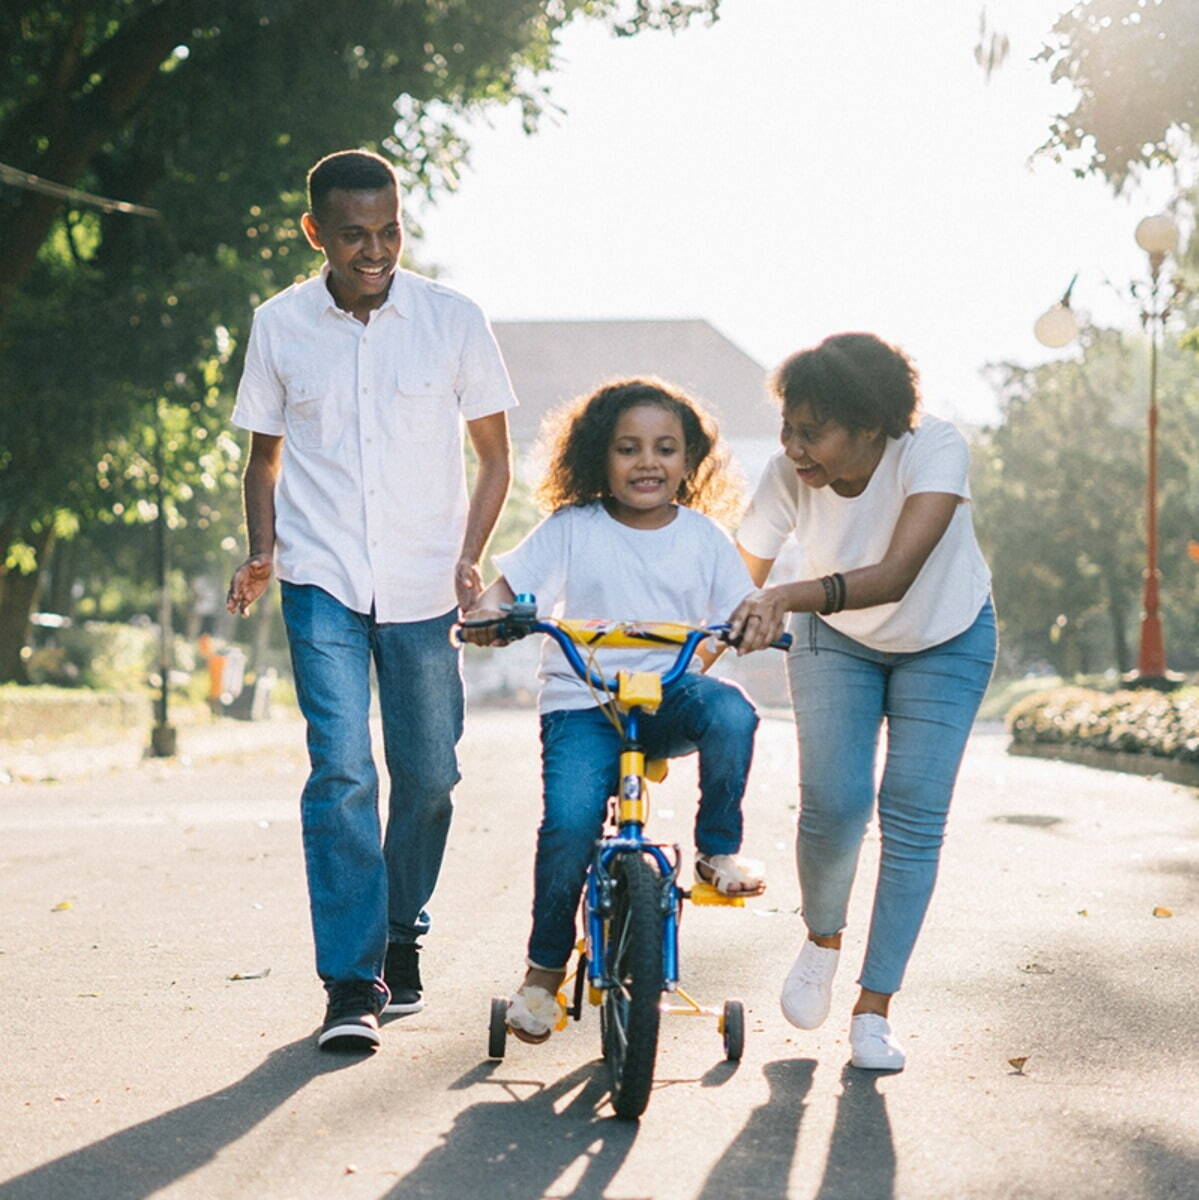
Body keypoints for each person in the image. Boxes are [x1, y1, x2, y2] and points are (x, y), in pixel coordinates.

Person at [225, 149, 516, 1052]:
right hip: (320, 580)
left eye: (389, 230)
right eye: (354, 235)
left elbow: (495, 457)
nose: (375, 249)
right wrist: (263, 550)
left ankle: (400, 932)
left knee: (429, 776)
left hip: (427, 582)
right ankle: (351, 982)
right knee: (343, 770)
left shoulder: (452, 320)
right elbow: (263, 457)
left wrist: (471, 556)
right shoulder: (279, 325)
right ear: (316, 233)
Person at [463, 378, 764, 1043]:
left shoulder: (705, 539)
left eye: (665, 448)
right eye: (628, 449)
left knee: (733, 713)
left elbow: (739, 610)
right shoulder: (572, 527)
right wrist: (489, 613)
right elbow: (505, 589)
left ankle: (718, 851)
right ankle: (542, 975)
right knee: (570, 825)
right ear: (600, 456)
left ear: (689, 462)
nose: (647, 462)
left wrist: (751, 625)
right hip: (583, 703)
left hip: (666, 697)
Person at [728, 332, 996, 1072]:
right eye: (787, 426)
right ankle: (821, 939)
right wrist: (683, 652)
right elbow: (732, 580)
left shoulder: (932, 449)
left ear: (870, 428)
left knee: (911, 812)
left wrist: (782, 594)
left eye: (811, 432)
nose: (791, 446)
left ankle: (874, 1009)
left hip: (945, 635)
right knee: (835, 804)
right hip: (835, 640)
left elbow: (898, 573)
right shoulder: (787, 473)